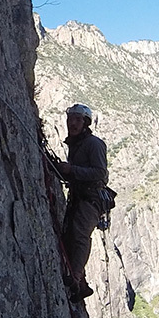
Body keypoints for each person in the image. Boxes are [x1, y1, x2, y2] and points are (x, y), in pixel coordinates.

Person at [57, 103, 108, 302]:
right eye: (71, 119)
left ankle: (76, 277)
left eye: (78, 119)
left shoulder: (94, 144)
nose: (73, 123)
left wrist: (72, 170)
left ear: (86, 123)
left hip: (91, 198)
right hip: (81, 196)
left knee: (79, 235)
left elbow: (100, 173)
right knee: (70, 235)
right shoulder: (76, 144)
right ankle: (82, 284)